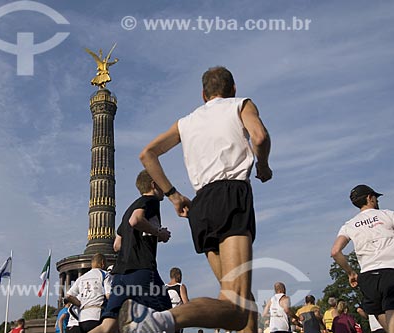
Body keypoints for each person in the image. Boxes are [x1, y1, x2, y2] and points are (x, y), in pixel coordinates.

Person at [120, 66, 272, 333]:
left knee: (243, 302)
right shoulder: (240, 105)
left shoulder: (185, 122)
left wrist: (173, 195)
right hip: (231, 195)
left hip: (199, 207)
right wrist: (263, 165)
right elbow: (259, 137)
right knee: (235, 306)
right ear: (233, 89)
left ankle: (160, 319)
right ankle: (161, 319)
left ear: (203, 94)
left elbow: (148, 154)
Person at [89, 169, 172, 333]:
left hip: (120, 276)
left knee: (106, 327)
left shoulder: (129, 209)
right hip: (141, 269)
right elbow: (136, 220)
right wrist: (158, 233)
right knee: (171, 315)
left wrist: (140, 238)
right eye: (162, 183)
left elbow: (117, 245)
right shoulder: (150, 201)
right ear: (154, 184)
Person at [331, 185, 394, 333]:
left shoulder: (349, 225)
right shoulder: (387, 215)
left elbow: (335, 251)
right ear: (369, 198)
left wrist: (351, 273)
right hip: (390, 270)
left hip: (367, 275)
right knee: (391, 309)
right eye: (376, 198)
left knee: (378, 312)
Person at [65, 254, 111, 333]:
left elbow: (68, 296)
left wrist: (79, 304)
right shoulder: (105, 274)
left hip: (83, 318)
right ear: (102, 263)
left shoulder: (82, 278)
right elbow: (108, 295)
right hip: (97, 315)